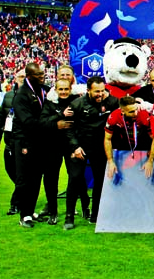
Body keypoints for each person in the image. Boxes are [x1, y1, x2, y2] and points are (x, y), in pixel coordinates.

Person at [64, 75, 119, 229]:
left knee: (100, 182)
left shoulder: (113, 102)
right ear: (88, 90)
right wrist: (75, 147)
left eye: (102, 90)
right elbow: (69, 129)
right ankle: (69, 217)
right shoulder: (77, 104)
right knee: (74, 179)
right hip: (80, 148)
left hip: (100, 148)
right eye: (96, 91)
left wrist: (139, 103)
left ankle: (96, 214)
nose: (100, 94)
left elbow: (126, 109)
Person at [11, 62, 49, 228]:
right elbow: (27, 122)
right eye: (38, 75)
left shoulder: (42, 90)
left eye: (42, 74)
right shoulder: (21, 95)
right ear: (29, 76)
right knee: (25, 178)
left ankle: (30, 210)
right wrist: (51, 124)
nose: (42, 77)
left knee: (36, 178)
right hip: (25, 142)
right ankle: (23, 215)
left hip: (39, 141)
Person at [37, 79, 78, 225]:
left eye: (66, 89)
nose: (63, 92)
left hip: (70, 146)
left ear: (70, 88)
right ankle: (53, 212)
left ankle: (71, 211)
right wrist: (60, 115)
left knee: (75, 177)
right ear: (56, 89)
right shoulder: (49, 103)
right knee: (50, 179)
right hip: (52, 146)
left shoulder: (76, 101)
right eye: (60, 89)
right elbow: (42, 123)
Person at [0, 69, 25, 215]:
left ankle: (15, 204)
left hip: (25, 144)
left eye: (25, 77)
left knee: (21, 175)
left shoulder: (34, 96)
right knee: (11, 172)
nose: (23, 79)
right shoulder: (8, 96)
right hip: (9, 143)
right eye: (20, 77)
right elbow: (0, 118)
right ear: (15, 79)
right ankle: (24, 192)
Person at [104, 96, 154, 180]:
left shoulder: (143, 114)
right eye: (132, 111)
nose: (136, 113)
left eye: (136, 109)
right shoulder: (113, 117)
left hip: (142, 144)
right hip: (124, 145)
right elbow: (107, 139)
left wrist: (150, 160)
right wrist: (110, 161)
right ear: (122, 111)